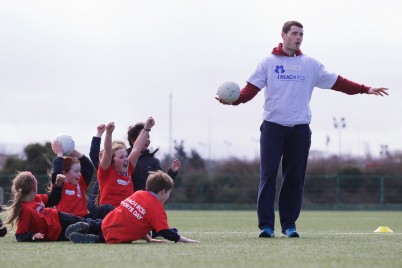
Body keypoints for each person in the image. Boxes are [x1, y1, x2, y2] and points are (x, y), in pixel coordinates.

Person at [216, 20, 389, 238]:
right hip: (273, 128)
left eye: (301, 35)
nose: (298, 38)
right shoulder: (268, 62)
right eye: (295, 33)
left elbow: (339, 82)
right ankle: (266, 226)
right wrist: (234, 101)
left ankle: (289, 225)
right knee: (268, 175)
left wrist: (365, 89)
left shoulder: (311, 64)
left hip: (299, 129)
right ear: (283, 35)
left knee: (294, 178)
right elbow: (250, 90)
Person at [65, 171, 199, 244]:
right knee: (105, 237)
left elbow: (136, 218)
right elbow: (165, 232)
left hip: (107, 220)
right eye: (169, 192)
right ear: (163, 191)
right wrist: (184, 240)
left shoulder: (139, 193)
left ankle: (88, 225)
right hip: (118, 233)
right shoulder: (157, 209)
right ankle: (94, 238)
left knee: (101, 225)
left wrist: (148, 238)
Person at [4, 171, 96, 242]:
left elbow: (53, 199)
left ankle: (101, 226)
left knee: (86, 223)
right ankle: (99, 235)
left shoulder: (36, 198)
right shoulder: (26, 210)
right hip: (56, 233)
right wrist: (32, 235)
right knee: (81, 230)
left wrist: (58, 185)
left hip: (60, 217)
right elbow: (20, 234)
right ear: (34, 187)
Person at [97, 117, 155, 208]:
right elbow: (108, 153)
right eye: (121, 157)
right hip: (108, 214)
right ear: (112, 162)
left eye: (126, 156)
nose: (125, 159)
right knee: (106, 208)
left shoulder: (128, 170)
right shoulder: (106, 172)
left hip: (125, 215)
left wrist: (147, 128)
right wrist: (109, 133)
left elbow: (136, 148)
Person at [51, 142, 113, 219]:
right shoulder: (60, 184)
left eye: (79, 171)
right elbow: (56, 173)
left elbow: (88, 167)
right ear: (64, 173)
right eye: (76, 171)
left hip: (84, 219)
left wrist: (74, 152)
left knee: (106, 208)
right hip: (67, 221)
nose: (79, 174)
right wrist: (59, 153)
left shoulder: (79, 184)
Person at [127, 122, 181, 192]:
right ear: (133, 141)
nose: (147, 139)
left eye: (148, 136)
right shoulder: (123, 157)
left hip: (145, 201)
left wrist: (172, 172)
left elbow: (160, 184)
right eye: (143, 137)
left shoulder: (153, 162)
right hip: (126, 201)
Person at [87, 124, 106, 211]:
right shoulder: (104, 168)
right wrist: (98, 134)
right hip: (97, 209)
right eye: (101, 155)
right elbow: (94, 154)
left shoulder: (120, 169)